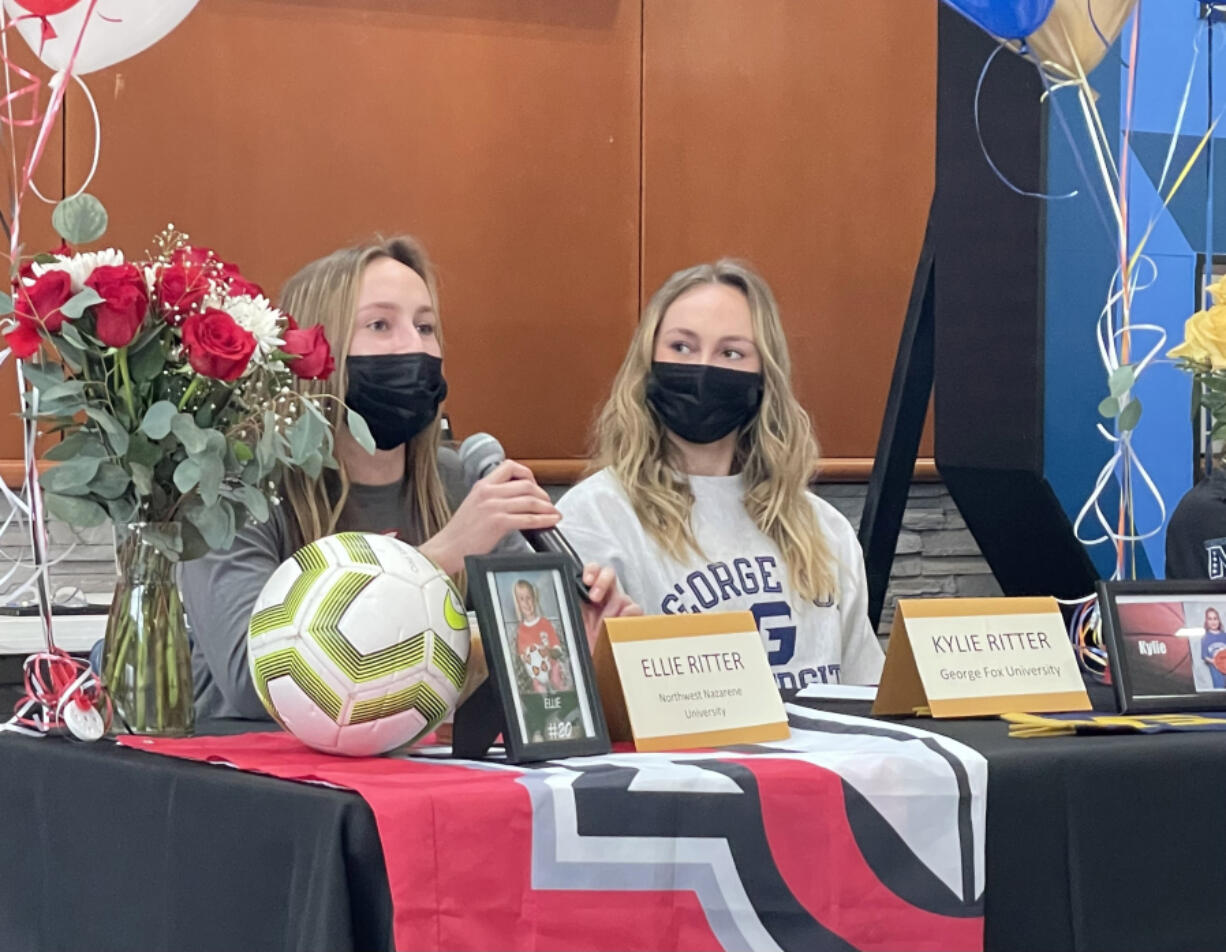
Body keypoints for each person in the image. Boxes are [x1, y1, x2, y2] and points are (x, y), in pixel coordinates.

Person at [181, 235, 635, 719]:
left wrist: (580, 634)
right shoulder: (236, 489)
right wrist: (437, 559)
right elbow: (257, 685)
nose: (413, 347)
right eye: (380, 324)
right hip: (257, 773)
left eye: (425, 327)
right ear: (314, 351)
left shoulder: (457, 483)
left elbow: (536, 685)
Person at [557, 259, 884, 690]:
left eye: (731, 352)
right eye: (682, 347)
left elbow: (866, 694)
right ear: (648, 359)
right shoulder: (593, 518)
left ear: (764, 376)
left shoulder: (824, 529)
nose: (703, 368)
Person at [513, 579, 570, 693]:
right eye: (522, 599)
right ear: (518, 604)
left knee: (556, 680)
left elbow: (557, 650)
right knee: (538, 688)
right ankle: (543, 703)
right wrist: (527, 658)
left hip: (552, 667)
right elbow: (522, 655)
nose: (526, 603)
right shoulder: (521, 630)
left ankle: (564, 695)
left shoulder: (545, 623)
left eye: (529, 598)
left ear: (534, 599)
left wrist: (548, 652)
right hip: (536, 672)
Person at [1202, 607, 1226, 689]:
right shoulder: (1205, 637)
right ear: (1206, 621)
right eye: (1210, 619)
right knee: (1220, 691)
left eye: (1215, 618)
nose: (1213, 621)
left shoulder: (1224, 635)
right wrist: (1215, 662)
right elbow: (1204, 656)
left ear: (1219, 620)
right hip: (1216, 671)